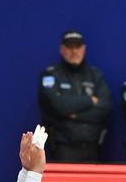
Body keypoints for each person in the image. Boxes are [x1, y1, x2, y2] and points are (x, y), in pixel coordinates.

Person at [38, 30, 112, 163]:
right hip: (63, 147)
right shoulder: (50, 75)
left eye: (77, 47)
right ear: (62, 49)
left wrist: (74, 114)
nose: (74, 51)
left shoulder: (95, 75)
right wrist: (90, 100)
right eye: (69, 47)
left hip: (93, 147)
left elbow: (105, 108)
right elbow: (58, 105)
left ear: (84, 49)